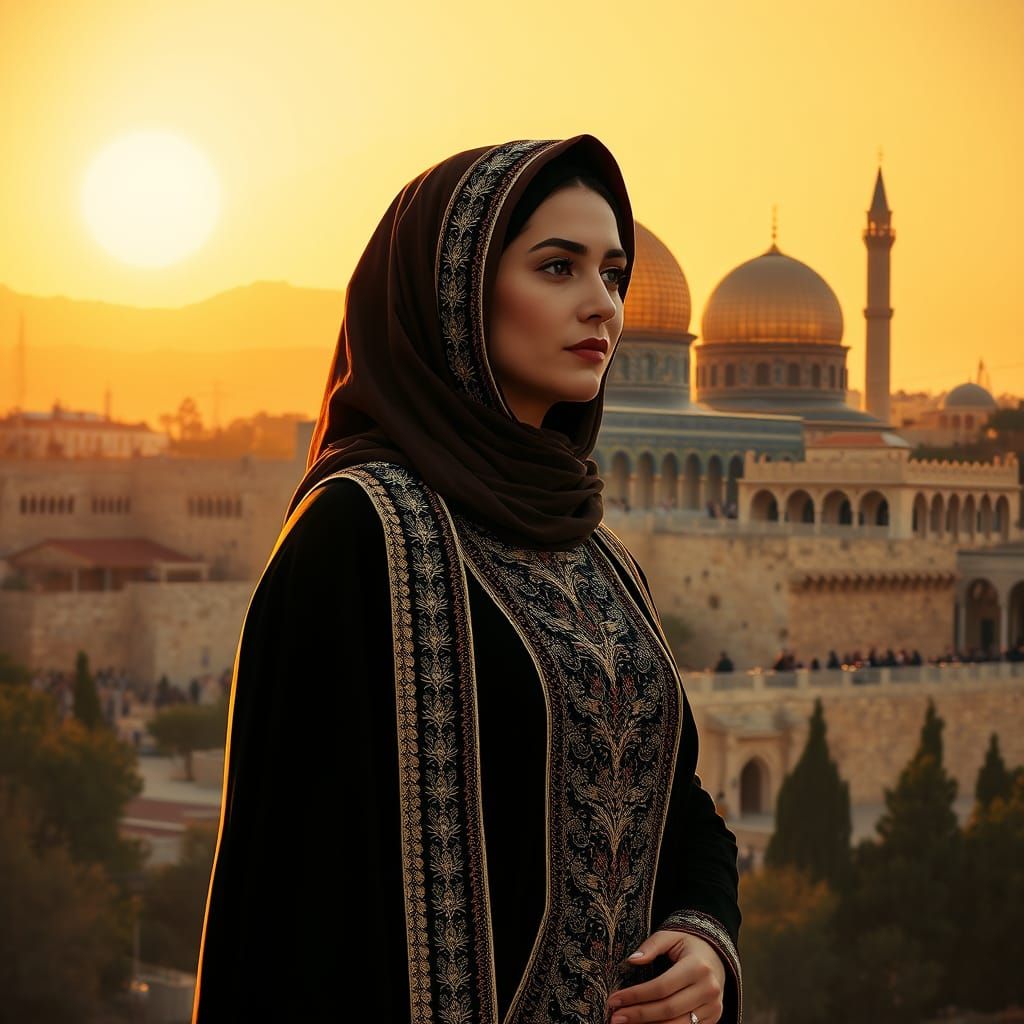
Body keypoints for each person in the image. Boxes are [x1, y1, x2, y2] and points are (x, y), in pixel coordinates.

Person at [192, 134, 742, 1024]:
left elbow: (674, 799)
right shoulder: (359, 532)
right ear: (453, 290)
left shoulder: (593, 551)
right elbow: (295, 896)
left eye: (613, 274)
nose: (600, 304)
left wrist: (705, 932)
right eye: (557, 267)